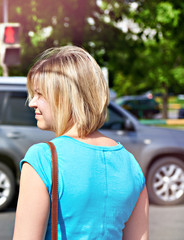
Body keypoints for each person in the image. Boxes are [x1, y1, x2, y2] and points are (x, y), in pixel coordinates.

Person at [13, 46, 148, 240]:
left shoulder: (43, 159)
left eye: (40, 94)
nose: (32, 102)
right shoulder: (130, 165)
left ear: (67, 96)